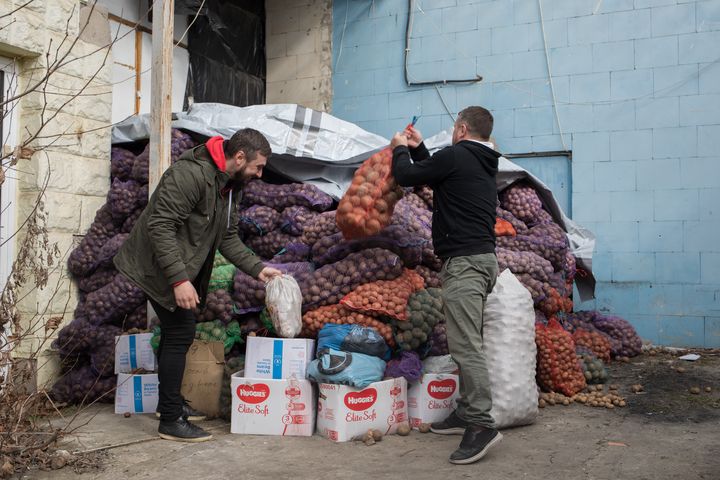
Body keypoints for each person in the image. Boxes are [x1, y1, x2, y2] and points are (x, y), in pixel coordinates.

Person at [115, 128, 282, 443]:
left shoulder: (231, 186)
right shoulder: (190, 174)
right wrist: (179, 280)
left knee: (175, 331)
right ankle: (170, 420)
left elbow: (227, 238)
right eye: (258, 166)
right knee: (180, 331)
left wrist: (258, 270)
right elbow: (160, 225)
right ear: (240, 156)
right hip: (154, 264)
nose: (260, 174)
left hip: (174, 264)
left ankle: (170, 405)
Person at [390, 106, 502, 465]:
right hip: (480, 262)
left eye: (454, 129)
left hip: (466, 264)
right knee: (468, 341)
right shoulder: (482, 160)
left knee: (466, 346)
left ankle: (482, 424)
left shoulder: (457, 156)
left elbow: (407, 176)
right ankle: (467, 412)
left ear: (462, 128)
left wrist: (399, 149)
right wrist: (422, 149)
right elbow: (436, 173)